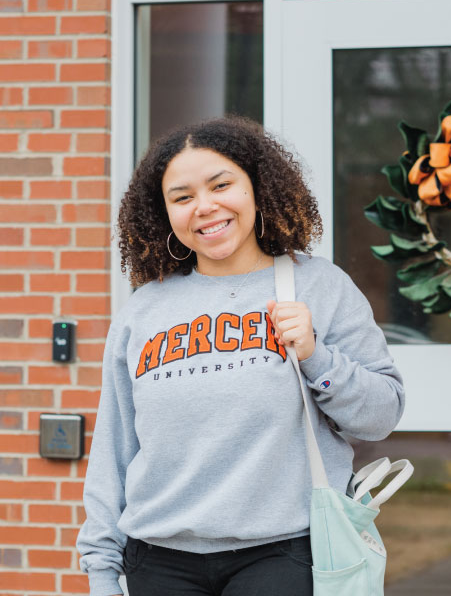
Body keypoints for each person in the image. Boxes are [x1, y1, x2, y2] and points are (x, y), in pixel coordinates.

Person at [76, 116, 405, 596]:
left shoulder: (319, 285)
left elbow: (381, 415)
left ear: (256, 187)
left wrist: (317, 357)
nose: (205, 207)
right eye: (182, 197)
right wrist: (102, 569)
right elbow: (115, 448)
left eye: (221, 185)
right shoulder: (143, 310)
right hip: (157, 561)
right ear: (163, 213)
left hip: (283, 555)